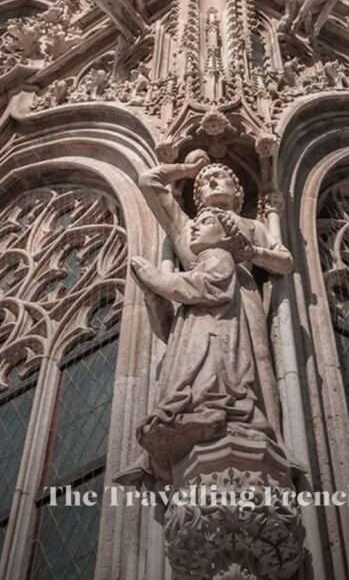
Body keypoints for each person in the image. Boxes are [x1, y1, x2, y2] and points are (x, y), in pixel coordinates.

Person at [126, 150, 293, 484]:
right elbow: (148, 180)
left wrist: (252, 252)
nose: (214, 182)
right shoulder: (187, 227)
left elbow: (285, 262)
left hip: (240, 303)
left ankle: (241, 422)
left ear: (238, 192)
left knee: (237, 364)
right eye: (206, 181)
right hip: (194, 305)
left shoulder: (253, 226)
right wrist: (188, 169)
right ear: (196, 194)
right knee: (194, 363)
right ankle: (192, 419)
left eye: (223, 178)